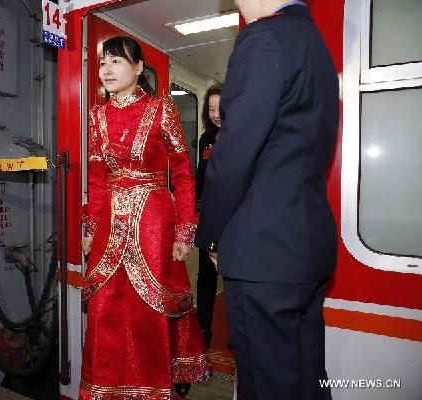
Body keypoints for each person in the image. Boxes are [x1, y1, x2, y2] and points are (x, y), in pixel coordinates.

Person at [195, 1, 339, 399]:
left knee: (266, 386)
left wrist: (211, 235)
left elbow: (233, 155)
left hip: (262, 252)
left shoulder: (264, 39)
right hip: (307, 246)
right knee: (307, 379)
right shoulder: (315, 45)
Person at [80, 36, 212, 399]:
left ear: (139, 68)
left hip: (153, 224)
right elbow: (97, 179)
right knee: (104, 307)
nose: (106, 69)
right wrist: (90, 226)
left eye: (116, 61)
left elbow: (183, 174)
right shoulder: (96, 116)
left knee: (151, 309)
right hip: (109, 225)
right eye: (103, 62)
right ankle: (104, 389)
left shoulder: (160, 109)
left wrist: (184, 231)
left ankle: (154, 387)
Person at [195, 83, 224, 348]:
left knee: (234, 276)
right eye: (211, 109)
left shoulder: (241, 136)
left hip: (232, 218)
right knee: (205, 276)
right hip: (208, 215)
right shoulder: (206, 139)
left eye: (220, 108)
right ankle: (203, 331)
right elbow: (201, 177)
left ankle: (239, 336)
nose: (215, 115)